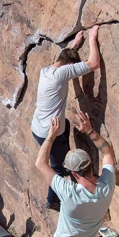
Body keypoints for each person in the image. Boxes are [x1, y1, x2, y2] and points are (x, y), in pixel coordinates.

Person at [35, 111, 116, 237]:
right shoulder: (106, 187)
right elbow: (108, 153)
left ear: (74, 173)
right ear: (89, 165)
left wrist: (51, 136)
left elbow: (40, 163)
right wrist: (90, 131)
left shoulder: (68, 191)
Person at [31, 25, 101, 211]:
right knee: (59, 168)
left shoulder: (47, 70)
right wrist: (93, 38)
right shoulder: (62, 74)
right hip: (50, 131)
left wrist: (75, 45)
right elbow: (94, 63)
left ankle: (66, 163)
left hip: (39, 126)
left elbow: (62, 58)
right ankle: (53, 200)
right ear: (70, 66)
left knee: (67, 125)